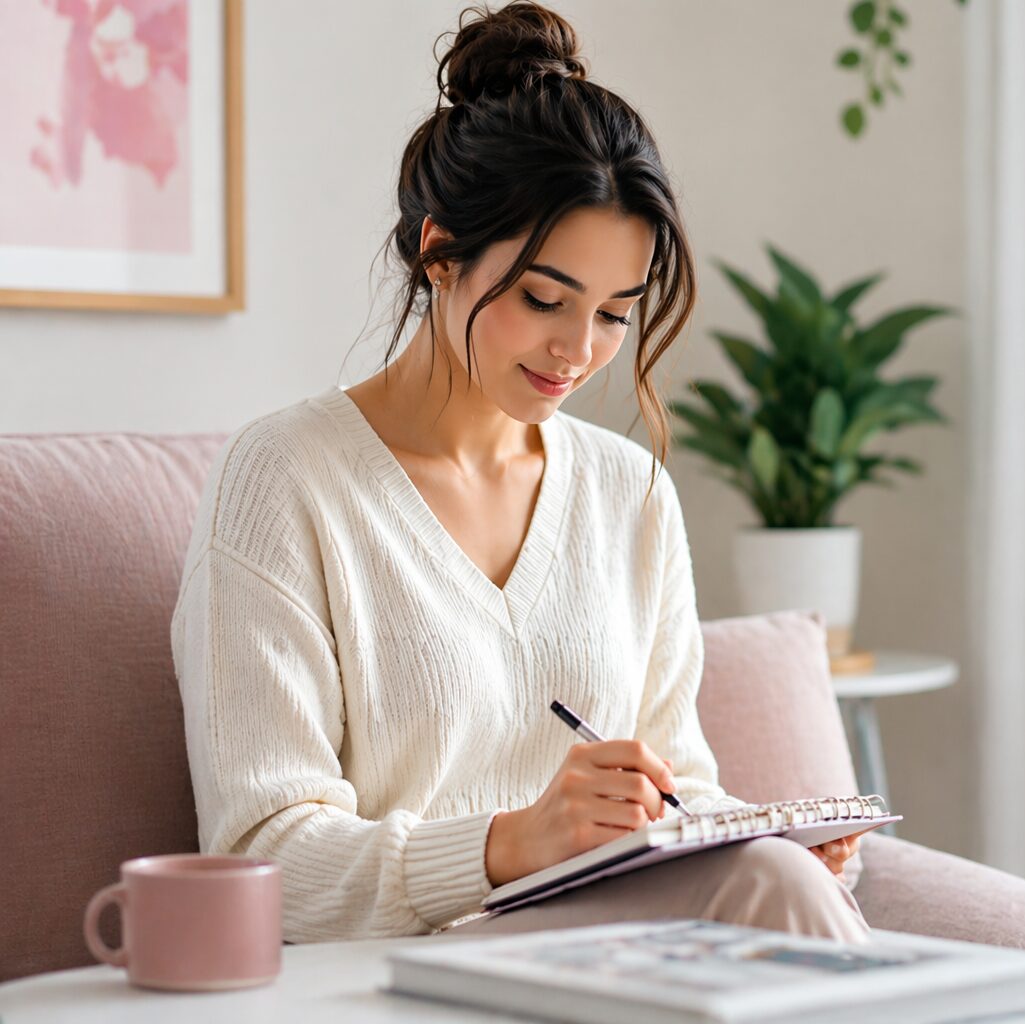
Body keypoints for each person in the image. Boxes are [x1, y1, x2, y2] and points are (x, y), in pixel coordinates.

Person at [169, 0, 869, 945]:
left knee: (775, 879)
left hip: (619, 956)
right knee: (774, 898)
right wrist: (508, 843)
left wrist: (759, 831)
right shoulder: (286, 482)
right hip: (401, 970)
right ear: (438, 254)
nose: (578, 351)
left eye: (617, 313)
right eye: (546, 298)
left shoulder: (631, 495)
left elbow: (673, 786)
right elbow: (263, 861)